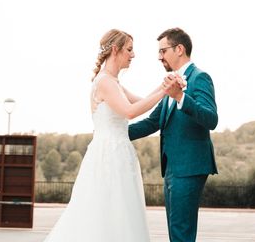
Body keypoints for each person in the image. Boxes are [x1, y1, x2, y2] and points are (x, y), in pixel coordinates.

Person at [44, 29, 165, 242]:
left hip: (117, 152)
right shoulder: (105, 82)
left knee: (120, 212)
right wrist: (165, 91)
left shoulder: (112, 81)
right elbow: (130, 111)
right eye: (129, 49)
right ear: (115, 49)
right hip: (109, 155)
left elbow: (141, 100)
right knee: (109, 210)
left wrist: (165, 86)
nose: (133, 55)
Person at [129, 27, 218, 242]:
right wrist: (115, 132)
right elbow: (152, 122)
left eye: (163, 51)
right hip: (171, 168)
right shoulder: (171, 82)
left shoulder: (200, 78)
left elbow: (211, 119)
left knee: (181, 231)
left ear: (179, 49)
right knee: (175, 230)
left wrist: (181, 97)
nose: (159, 57)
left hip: (190, 166)